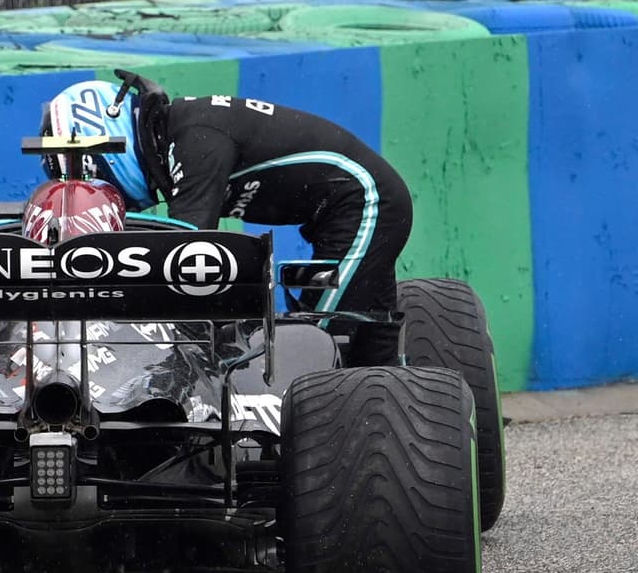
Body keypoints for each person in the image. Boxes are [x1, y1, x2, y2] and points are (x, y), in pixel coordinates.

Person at [41, 69, 414, 365]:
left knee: (314, 351)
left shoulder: (195, 139)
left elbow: (185, 258)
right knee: (369, 353)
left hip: (366, 202)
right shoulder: (186, 131)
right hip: (341, 211)